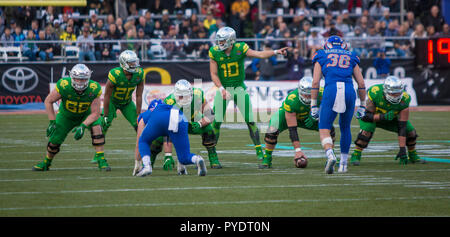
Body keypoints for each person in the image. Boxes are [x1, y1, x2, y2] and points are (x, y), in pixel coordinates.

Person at [209, 26, 288, 160]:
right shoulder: (214, 52)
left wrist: (275, 51)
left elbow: (259, 54)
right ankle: (212, 155)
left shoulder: (240, 48)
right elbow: (213, 74)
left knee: (250, 120)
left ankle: (259, 150)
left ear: (231, 41)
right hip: (224, 89)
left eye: (222, 41)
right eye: (219, 41)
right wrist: (221, 89)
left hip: (239, 87)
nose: (220, 44)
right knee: (216, 122)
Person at [32, 64, 111, 171]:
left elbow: (95, 113)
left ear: (88, 79)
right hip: (66, 116)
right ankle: (46, 162)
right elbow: (48, 101)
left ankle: (101, 160)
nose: (79, 82)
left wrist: (83, 126)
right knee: (54, 140)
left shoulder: (94, 88)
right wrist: (52, 121)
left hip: (85, 115)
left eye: (83, 79)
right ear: (71, 77)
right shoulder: (64, 85)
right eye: (77, 79)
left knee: (97, 127)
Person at [310, 36, 366, 174]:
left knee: (324, 127)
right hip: (349, 91)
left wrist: (313, 105)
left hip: (331, 90)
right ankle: (343, 164)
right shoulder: (351, 56)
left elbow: (315, 83)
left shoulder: (321, 54)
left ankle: (330, 154)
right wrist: (363, 105)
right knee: (345, 127)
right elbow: (361, 84)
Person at [260, 77, 335, 168]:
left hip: (310, 117)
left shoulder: (323, 94)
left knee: (330, 129)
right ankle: (267, 157)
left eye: (310, 95)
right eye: (305, 95)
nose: (307, 98)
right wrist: (298, 150)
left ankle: (331, 155)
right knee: (272, 130)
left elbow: (331, 109)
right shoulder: (292, 100)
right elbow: (292, 130)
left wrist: (318, 115)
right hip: (289, 117)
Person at [350, 76, 423, 166]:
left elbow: (402, 126)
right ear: (385, 91)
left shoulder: (405, 99)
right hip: (373, 117)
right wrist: (382, 117)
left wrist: (402, 149)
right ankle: (356, 154)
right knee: (367, 129)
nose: (396, 96)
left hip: (391, 119)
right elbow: (366, 116)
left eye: (398, 93)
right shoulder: (376, 93)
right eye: (393, 93)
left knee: (410, 131)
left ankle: (412, 154)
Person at [133, 99, 208, 177]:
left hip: (159, 119)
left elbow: (139, 141)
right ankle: (197, 159)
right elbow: (169, 138)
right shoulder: (172, 105)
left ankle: (147, 166)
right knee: (184, 156)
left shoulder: (149, 113)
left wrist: (137, 163)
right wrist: (168, 155)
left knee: (143, 141)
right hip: (180, 117)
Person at [157, 79, 221, 169]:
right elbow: (168, 128)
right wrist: (168, 155)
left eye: (186, 96)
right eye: (181, 96)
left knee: (208, 130)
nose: (184, 98)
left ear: (191, 94)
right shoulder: (169, 102)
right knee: (157, 139)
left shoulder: (198, 95)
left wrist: (200, 123)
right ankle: (149, 161)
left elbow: (210, 115)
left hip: (192, 120)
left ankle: (213, 157)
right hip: (176, 123)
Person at [100, 50, 145, 162]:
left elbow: (139, 95)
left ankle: (146, 152)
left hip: (127, 103)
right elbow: (106, 96)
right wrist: (105, 115)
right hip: (112, 102)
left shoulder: (139, 73)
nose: (134, 65)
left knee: (139, 124)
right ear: (124, 63)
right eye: (131, 63)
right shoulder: (115, 74)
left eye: (135, 62)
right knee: (104, 125)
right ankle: (99, 154)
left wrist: (138, 113)